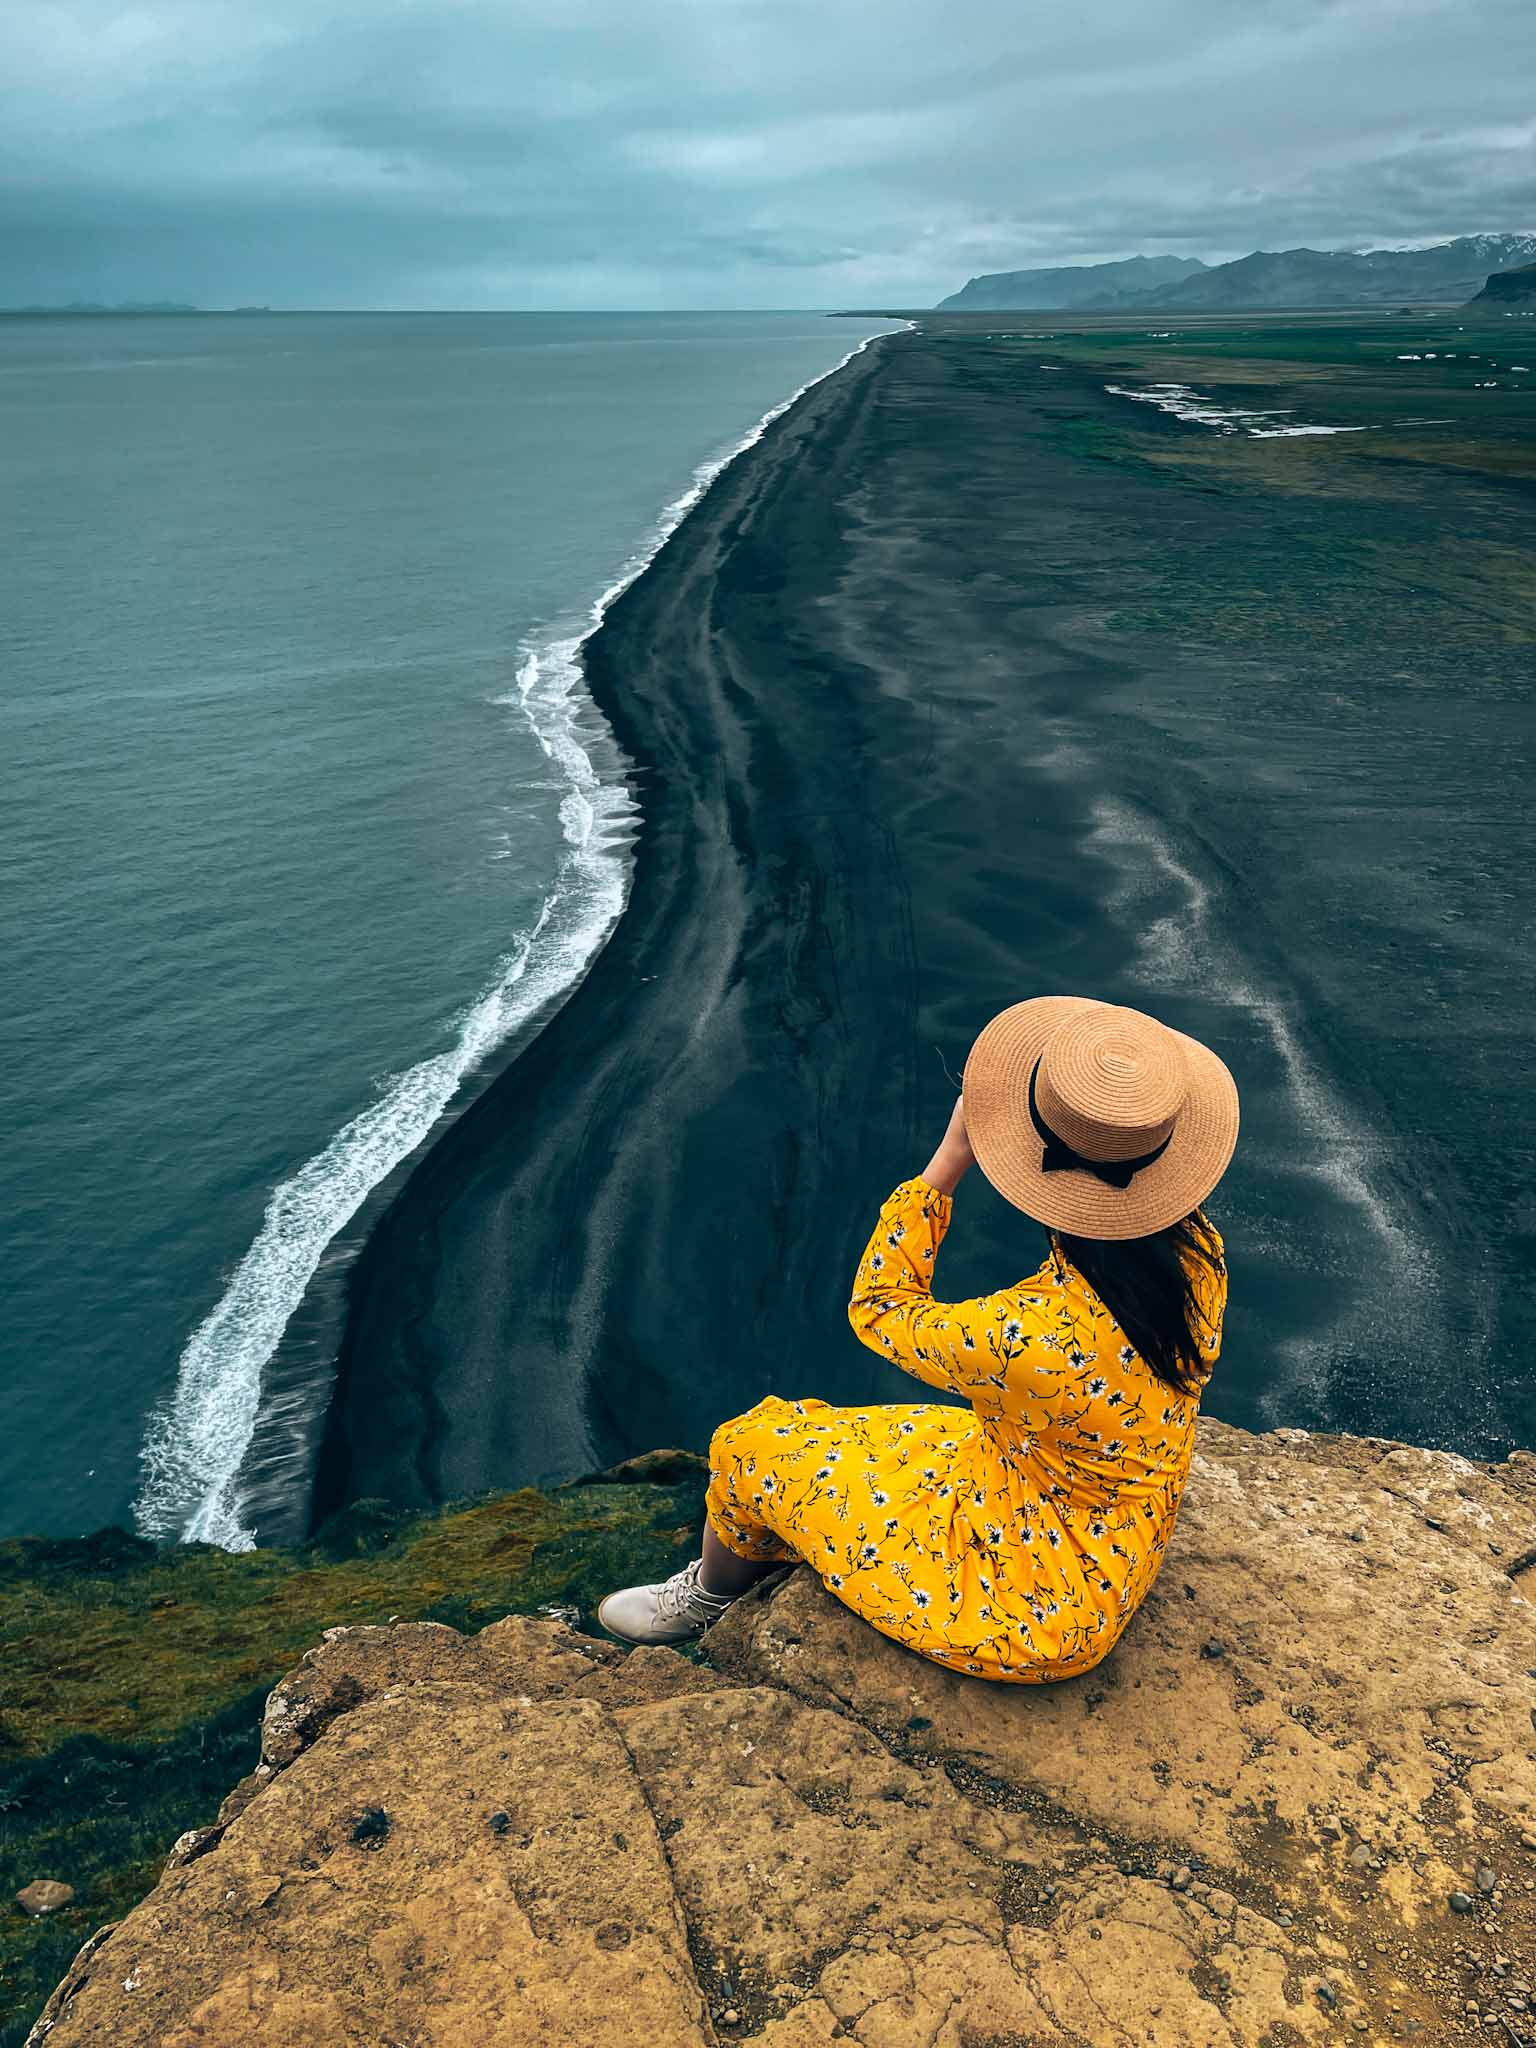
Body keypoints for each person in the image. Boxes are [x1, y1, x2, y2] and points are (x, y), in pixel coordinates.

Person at [597, 995, 1239, 1683]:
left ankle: (711, 1596)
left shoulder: (1023, 1341)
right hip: (1109, 1517)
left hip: (1040, 1600)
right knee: (839, 1439)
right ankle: (770, 1552)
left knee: (748, 1448)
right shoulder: (1194, 1253)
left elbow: (879, 1308)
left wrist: (951, 1159)